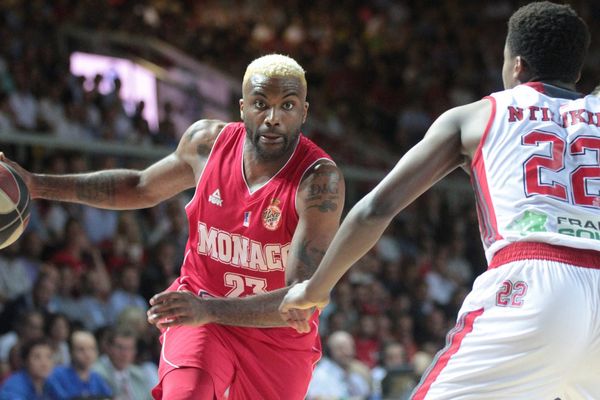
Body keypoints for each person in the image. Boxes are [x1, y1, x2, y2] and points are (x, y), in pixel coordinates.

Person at [280, 2, 600, 399]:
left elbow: (377, 208)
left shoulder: (476, 115)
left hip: (535, 281)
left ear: (516, 65)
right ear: (578, 72)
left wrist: (317, 288)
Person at [1, 53, 345, 399]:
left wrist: (209, 308)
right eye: (260, 104)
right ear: (242, 108)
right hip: (200, 317)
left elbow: (301, 300)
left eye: (287, 106)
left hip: (274, 335)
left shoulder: (318, 180)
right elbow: (138, 186)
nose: (272, 118)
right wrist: (37, 184)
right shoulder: (207, 144)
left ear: (303, 111)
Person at [46, 329, 113, 400]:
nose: (87, 354)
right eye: (81, 349)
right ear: (71, 352)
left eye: (91, 349)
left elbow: (109, 397)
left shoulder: (97, 378)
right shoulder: (57, 375)